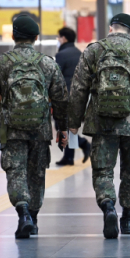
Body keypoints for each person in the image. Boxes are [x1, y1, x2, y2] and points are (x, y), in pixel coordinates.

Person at [68, 13, 130, 239]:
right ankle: (128, 218)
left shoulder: (93, 50)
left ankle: (108, 206)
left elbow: (78, 88)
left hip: (102, 122)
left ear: (111, 28)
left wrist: (73, 122)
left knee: (103, 170)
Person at [0, 15, 68, 239]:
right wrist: (63, 128)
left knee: (15, 172)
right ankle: (34, 219)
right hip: (40, 129)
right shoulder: (47, 63)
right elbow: (60, 99)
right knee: (37, 174)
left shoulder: (1, 62)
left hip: (12, 128)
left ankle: (24, 213)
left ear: (13, 36)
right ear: (36, 38)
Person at [55, 27, 92, 166]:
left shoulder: (61, 54)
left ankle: (83, 144)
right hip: (78, 96)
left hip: (64, 97)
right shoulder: (79, 53)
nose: (58, 40)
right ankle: (68, 157)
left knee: (62, 125)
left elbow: (56, 78)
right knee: (69, 125)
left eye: (59, 37)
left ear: (64, 38)